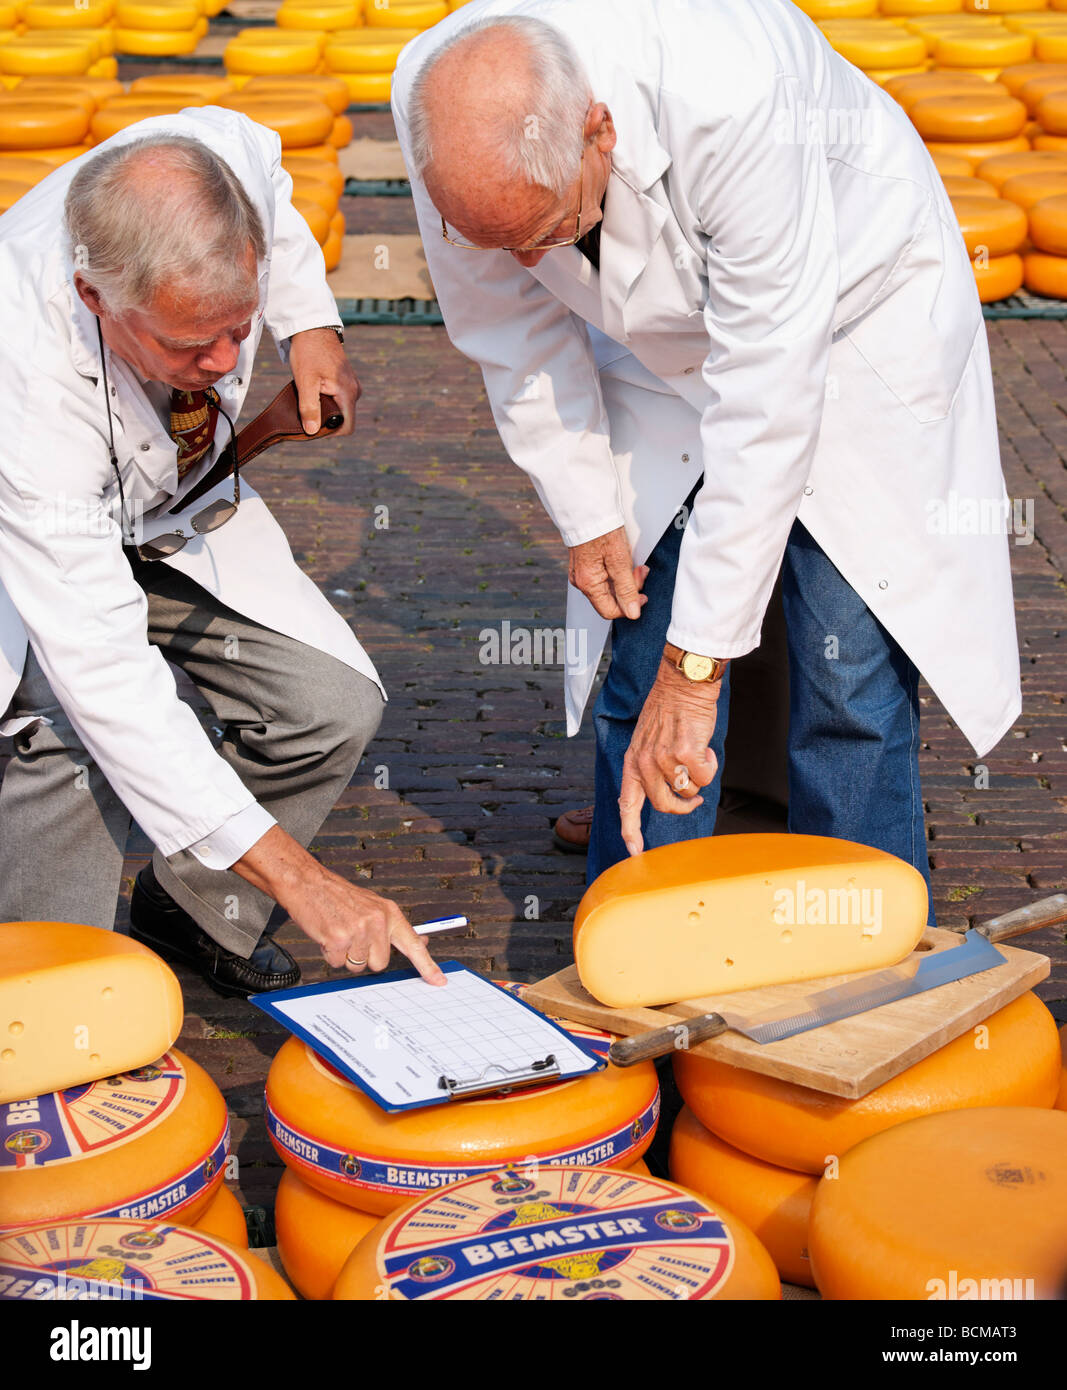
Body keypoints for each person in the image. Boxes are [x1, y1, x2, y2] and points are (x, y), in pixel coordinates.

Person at [390, 0, 1022, 909]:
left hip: (847, 320)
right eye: (506, 243)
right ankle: (643, 910)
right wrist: (587, 511)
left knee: (841, 657)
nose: (533, 261)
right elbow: (510, 332)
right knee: (645, 634)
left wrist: (699, 672)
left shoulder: (733, 94)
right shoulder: (441, 103)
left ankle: (868, 919)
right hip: (648, 348)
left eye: (548, 231)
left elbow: (766, 398)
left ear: (597, 131)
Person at [0, 108, 444, 997]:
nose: (225, 358)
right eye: (186, 341)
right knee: (59, 729)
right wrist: (301, 881)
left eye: (239, 325)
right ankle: (56, 998)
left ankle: (195, 909)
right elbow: (103, 669)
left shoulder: (219, 154)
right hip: (36, 547)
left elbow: (273, 187)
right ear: (94, 298)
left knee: (330, 705)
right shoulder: (26, 373)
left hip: (166, 509)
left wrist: (314, 325)